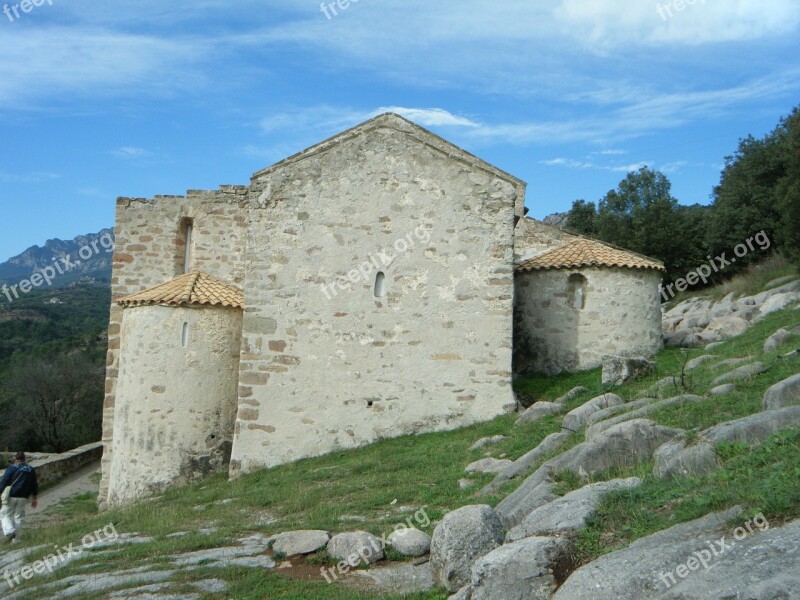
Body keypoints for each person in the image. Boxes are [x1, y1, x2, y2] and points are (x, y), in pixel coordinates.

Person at [0, 452, 38, 543]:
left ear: (15, 459)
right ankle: (16, 539)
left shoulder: (11, 468)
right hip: (23, 497)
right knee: (18, 517)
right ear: (24, 459)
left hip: (11, 496)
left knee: (5, 514)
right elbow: (34, 484)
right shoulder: (30, 469)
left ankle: (9, 531)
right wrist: (34, 498)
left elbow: (4, 482)